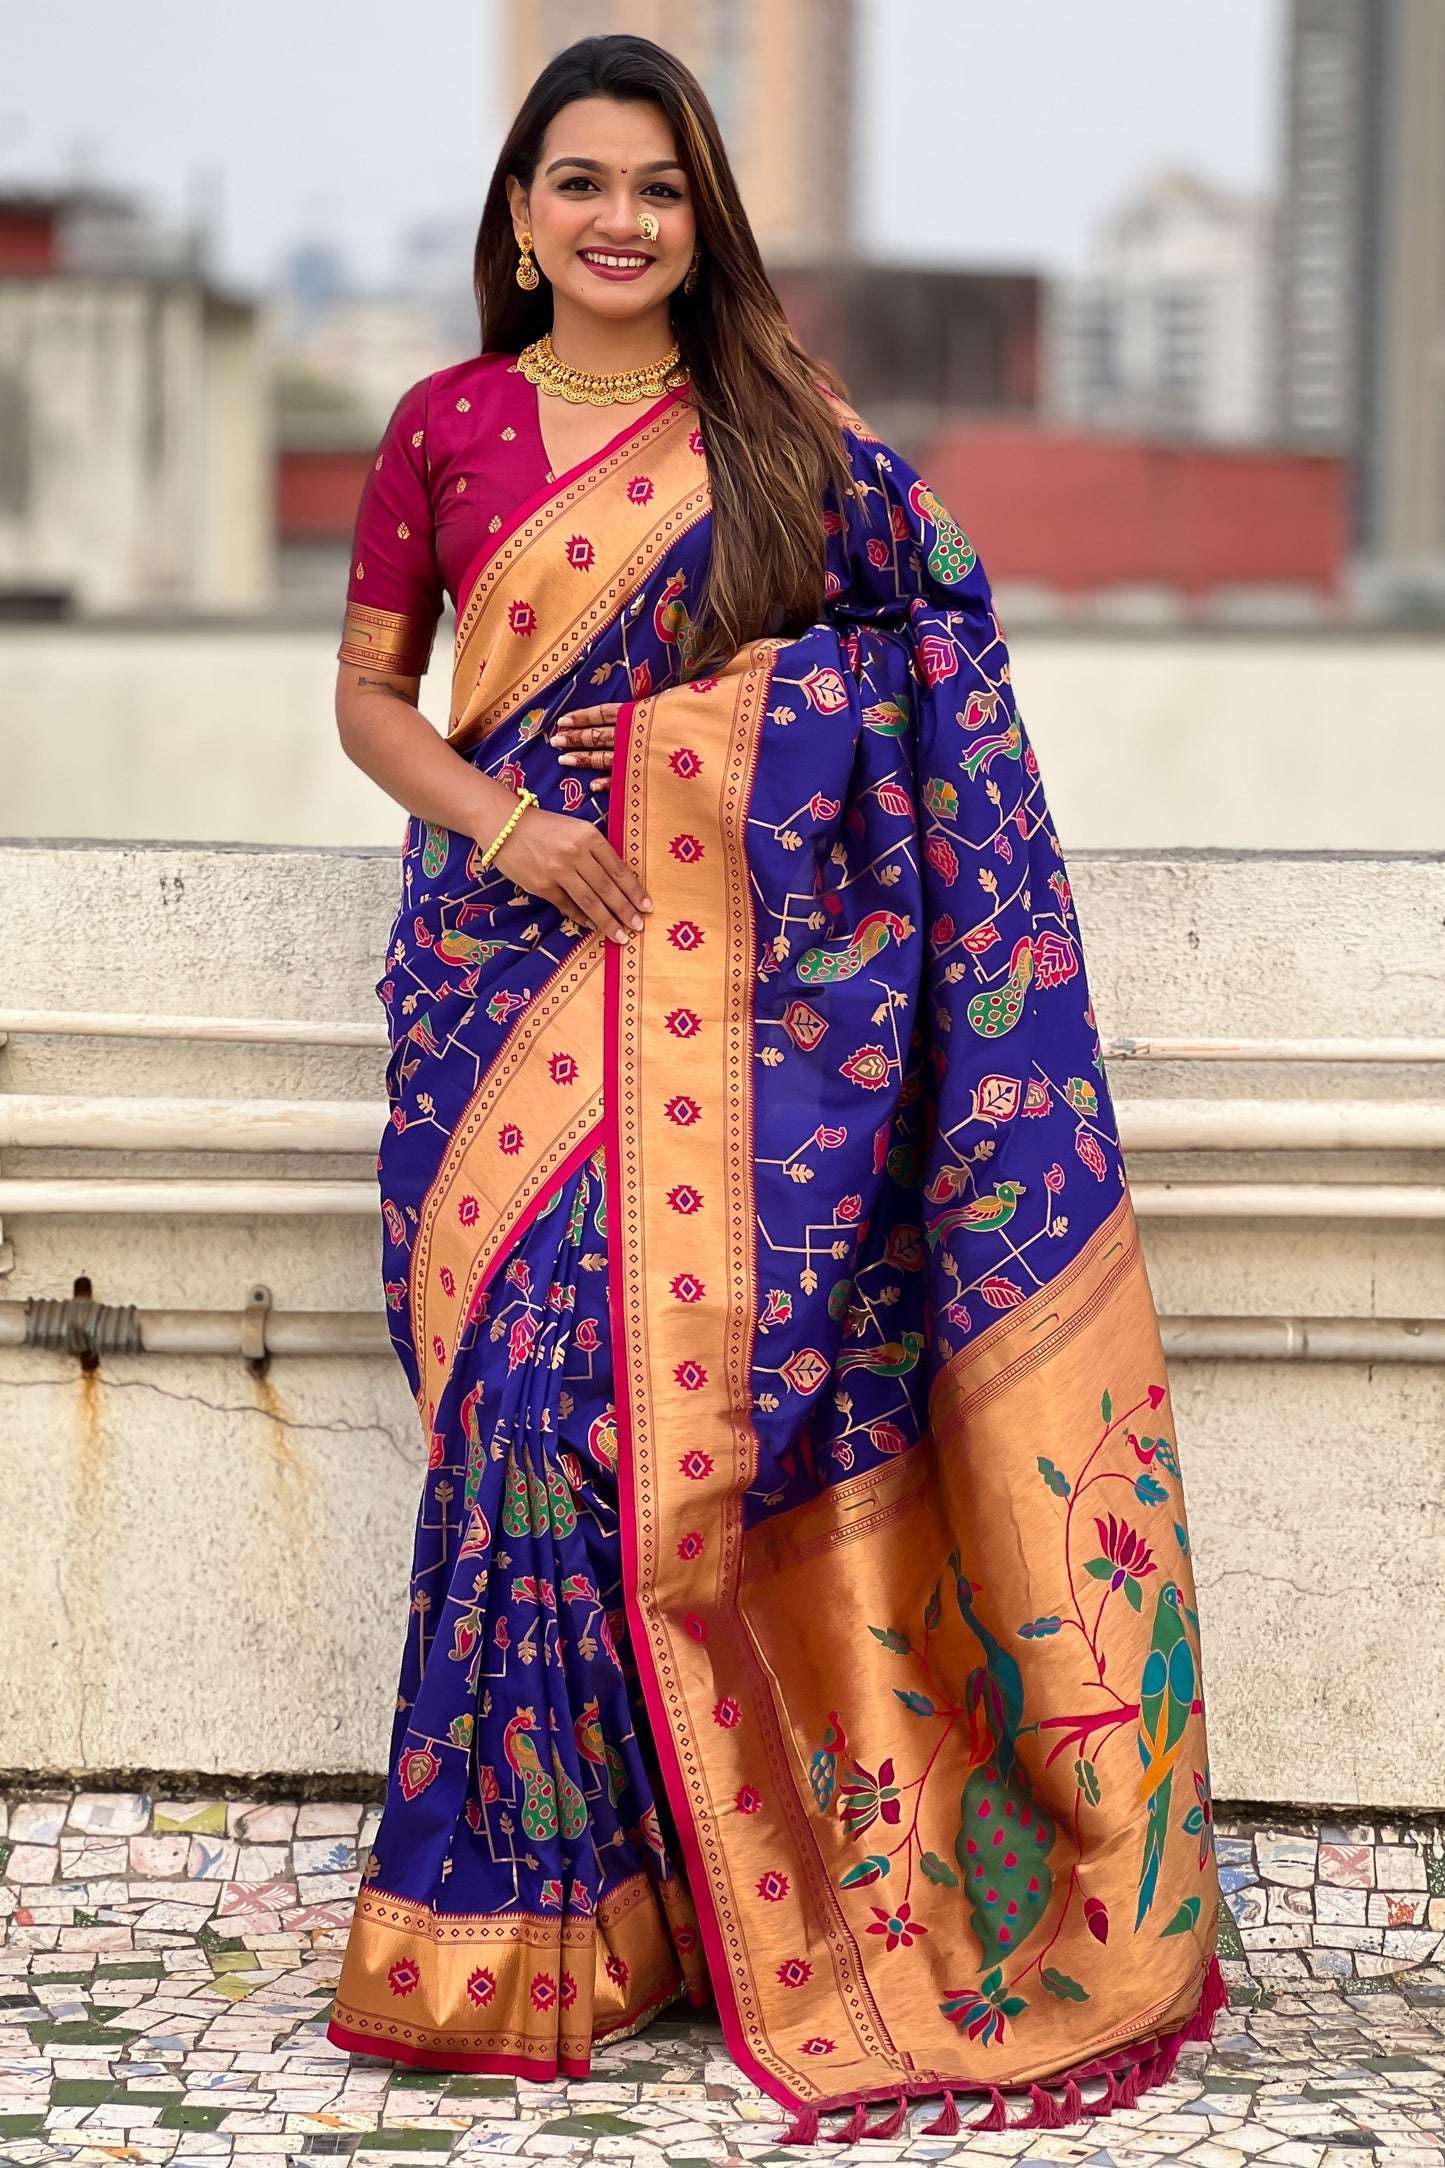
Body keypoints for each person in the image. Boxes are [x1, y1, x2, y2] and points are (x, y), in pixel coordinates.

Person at [328, 33, 1222, 2139]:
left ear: (702, 217)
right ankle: (532, 1919)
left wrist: (706, 758)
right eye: (580, 184)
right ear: (520, 216)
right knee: (518, 1426)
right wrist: (513, 824)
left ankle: (686, 1904)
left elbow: (936, 655)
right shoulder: (443, 426)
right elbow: (371, 704)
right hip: (499, 978)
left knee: (648, 1438)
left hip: (731, 1004)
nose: (618, 219)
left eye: (658, 187)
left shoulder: (784, 429)